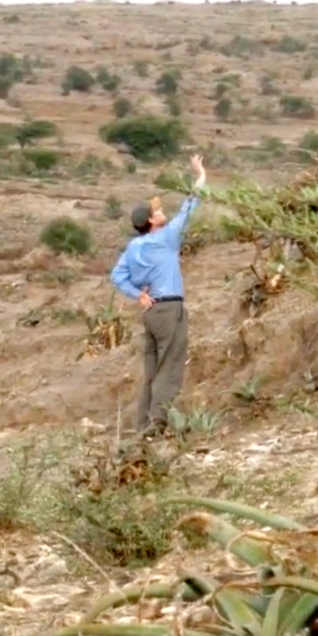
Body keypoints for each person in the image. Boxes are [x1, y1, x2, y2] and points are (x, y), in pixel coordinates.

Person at [110, 153, 207, 437]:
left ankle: (143, 427)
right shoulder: (165, 238)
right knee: (170, 368)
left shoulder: (133, 248)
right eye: (157, 211)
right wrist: (199, 176)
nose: (162, 212)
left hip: (151, 312)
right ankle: (156, 428)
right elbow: (190, 206)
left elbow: (117, 276)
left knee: (152, 370)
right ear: (152, 221)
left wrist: (137, 295)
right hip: (169, 310)